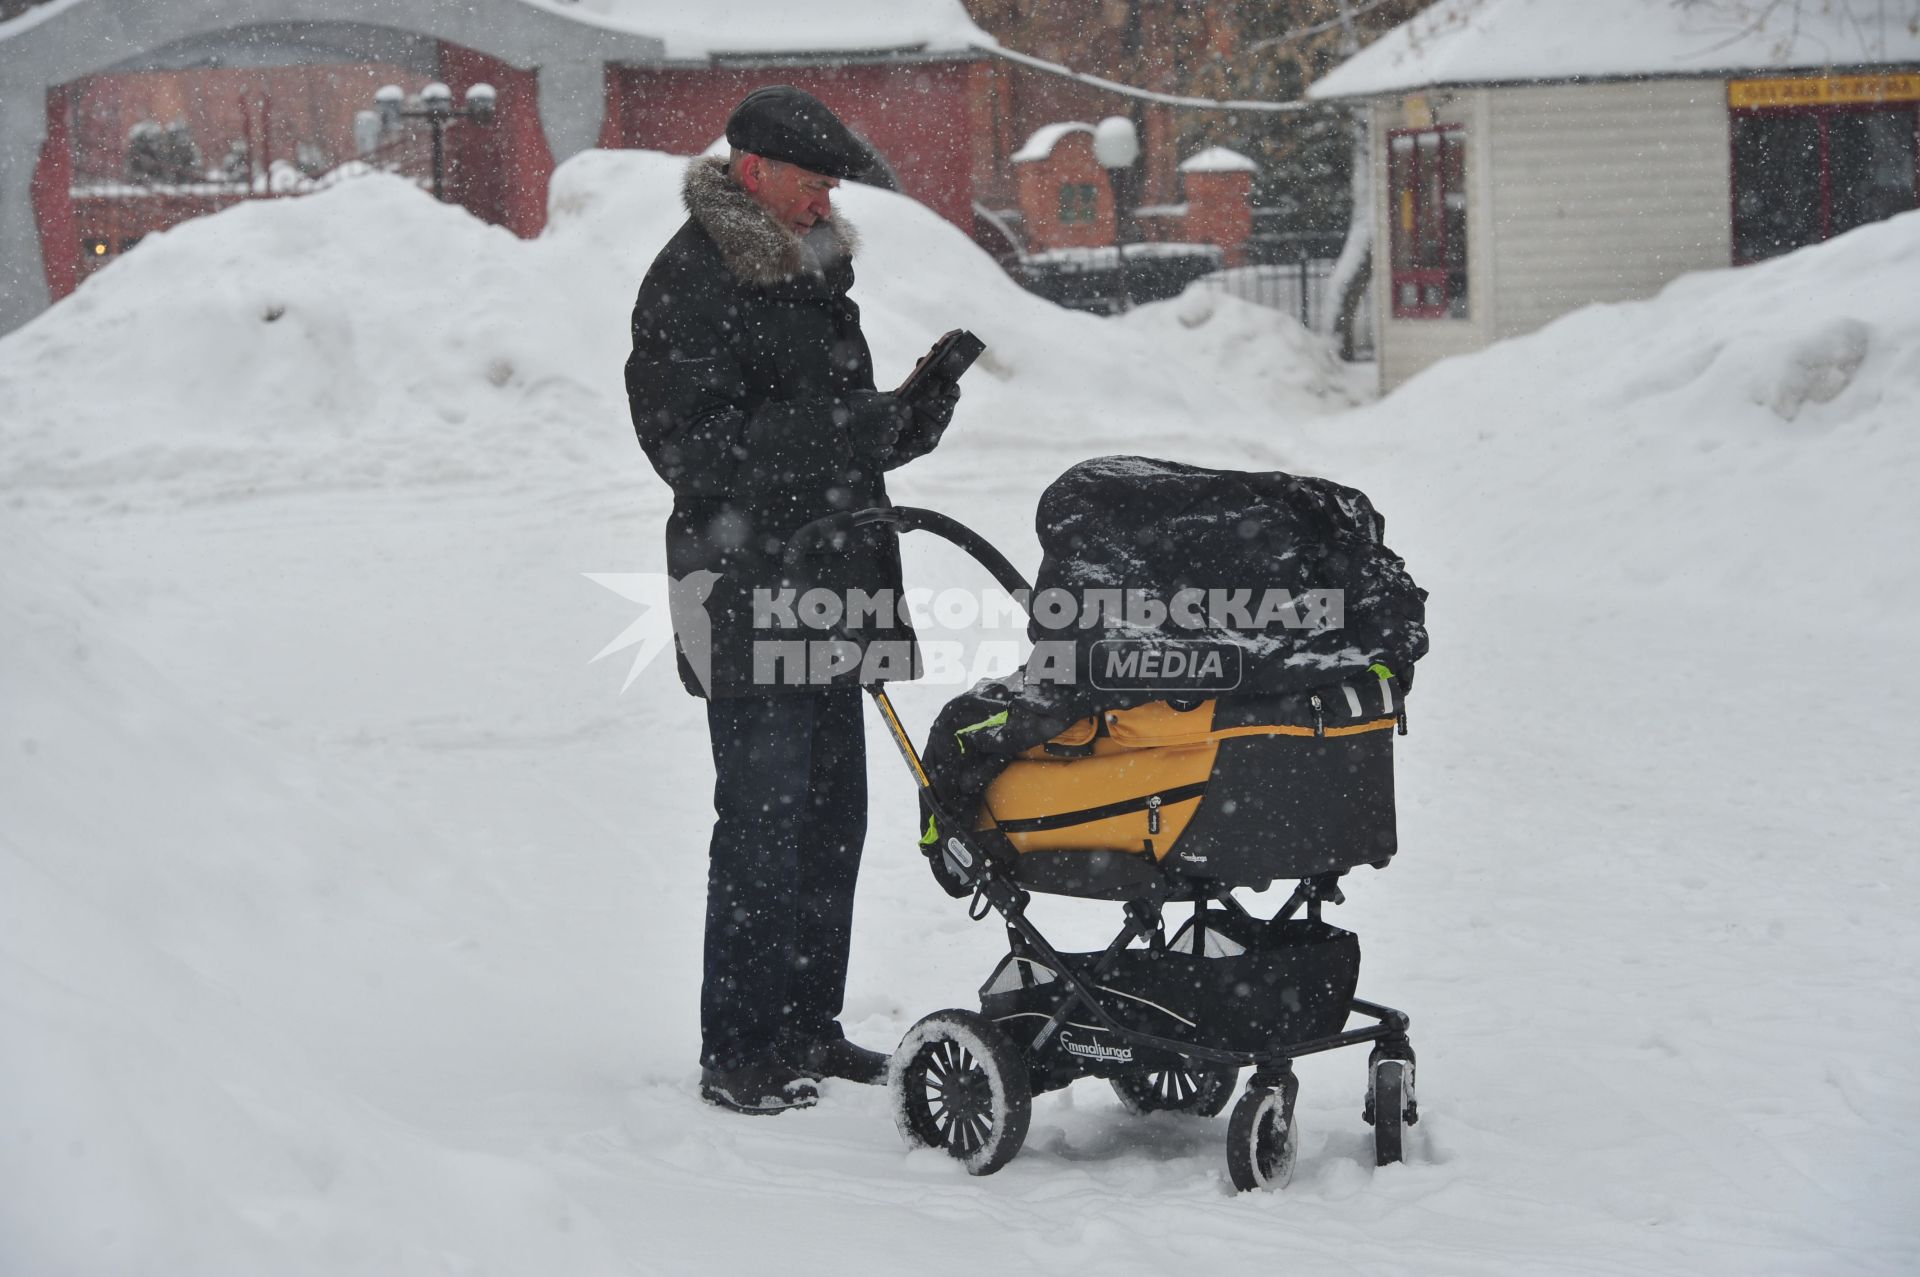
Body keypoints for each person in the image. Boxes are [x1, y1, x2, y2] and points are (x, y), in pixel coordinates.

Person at [624, 86, 961, 1115]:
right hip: (747, 584)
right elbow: (691, 446)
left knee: (831, 820)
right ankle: (739, 1048)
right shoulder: (692, 279)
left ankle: (808, 1024)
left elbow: (838, 431)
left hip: (833, 578)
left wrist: (912, 412)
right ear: (754, 170)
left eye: (828, 190)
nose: (823, 204)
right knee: (763, 823)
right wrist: (849, 431)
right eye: (812, 185)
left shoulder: (817, 272)